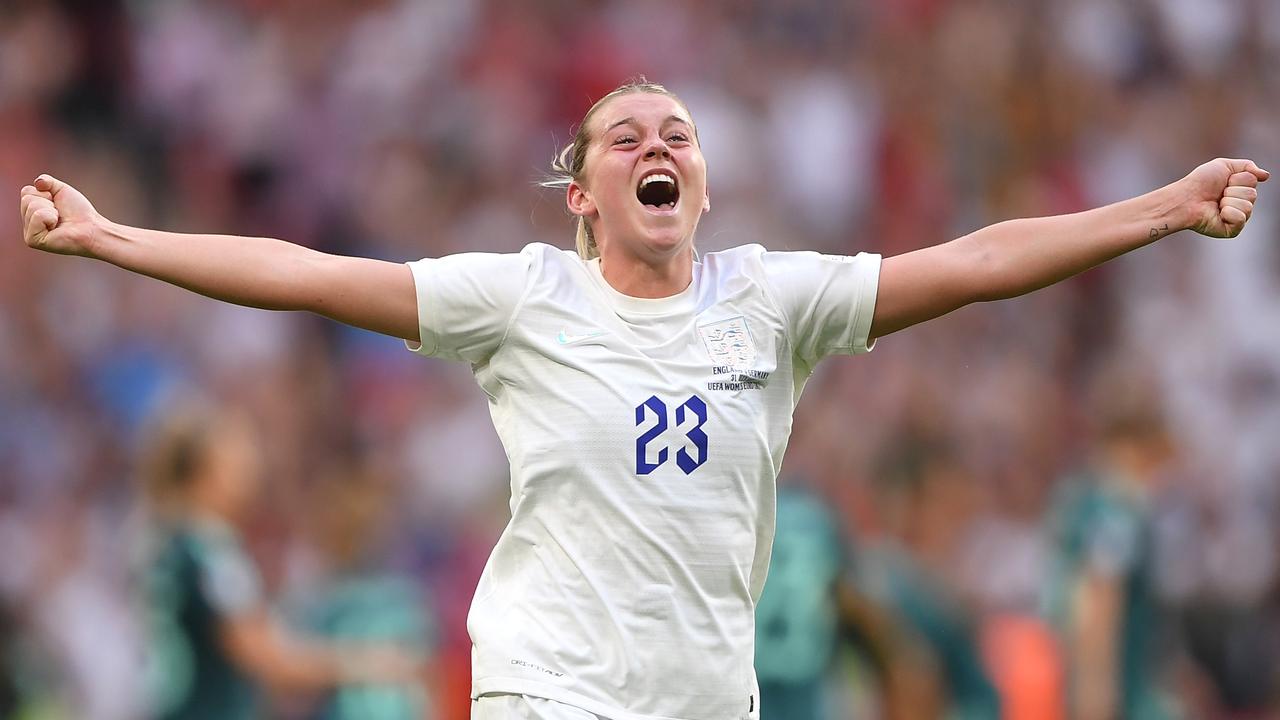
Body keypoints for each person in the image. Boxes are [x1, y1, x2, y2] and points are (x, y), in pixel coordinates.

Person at [17, 78, 1267, 720]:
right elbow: (308, 275)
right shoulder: (519, 300)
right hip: (549, 689)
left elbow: (975, 262)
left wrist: (1160, 207)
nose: (658, 144)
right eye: (625, 136)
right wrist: (120, 239)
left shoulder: (770, 301)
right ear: (581, 196)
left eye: (678, 133)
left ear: (704, 189)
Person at [135, 401, 419, 720]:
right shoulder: (208, 550)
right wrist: (367, 663)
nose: (251, 469)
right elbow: (269, 658)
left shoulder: (172, 542)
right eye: (236, 459)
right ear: (206, 472)